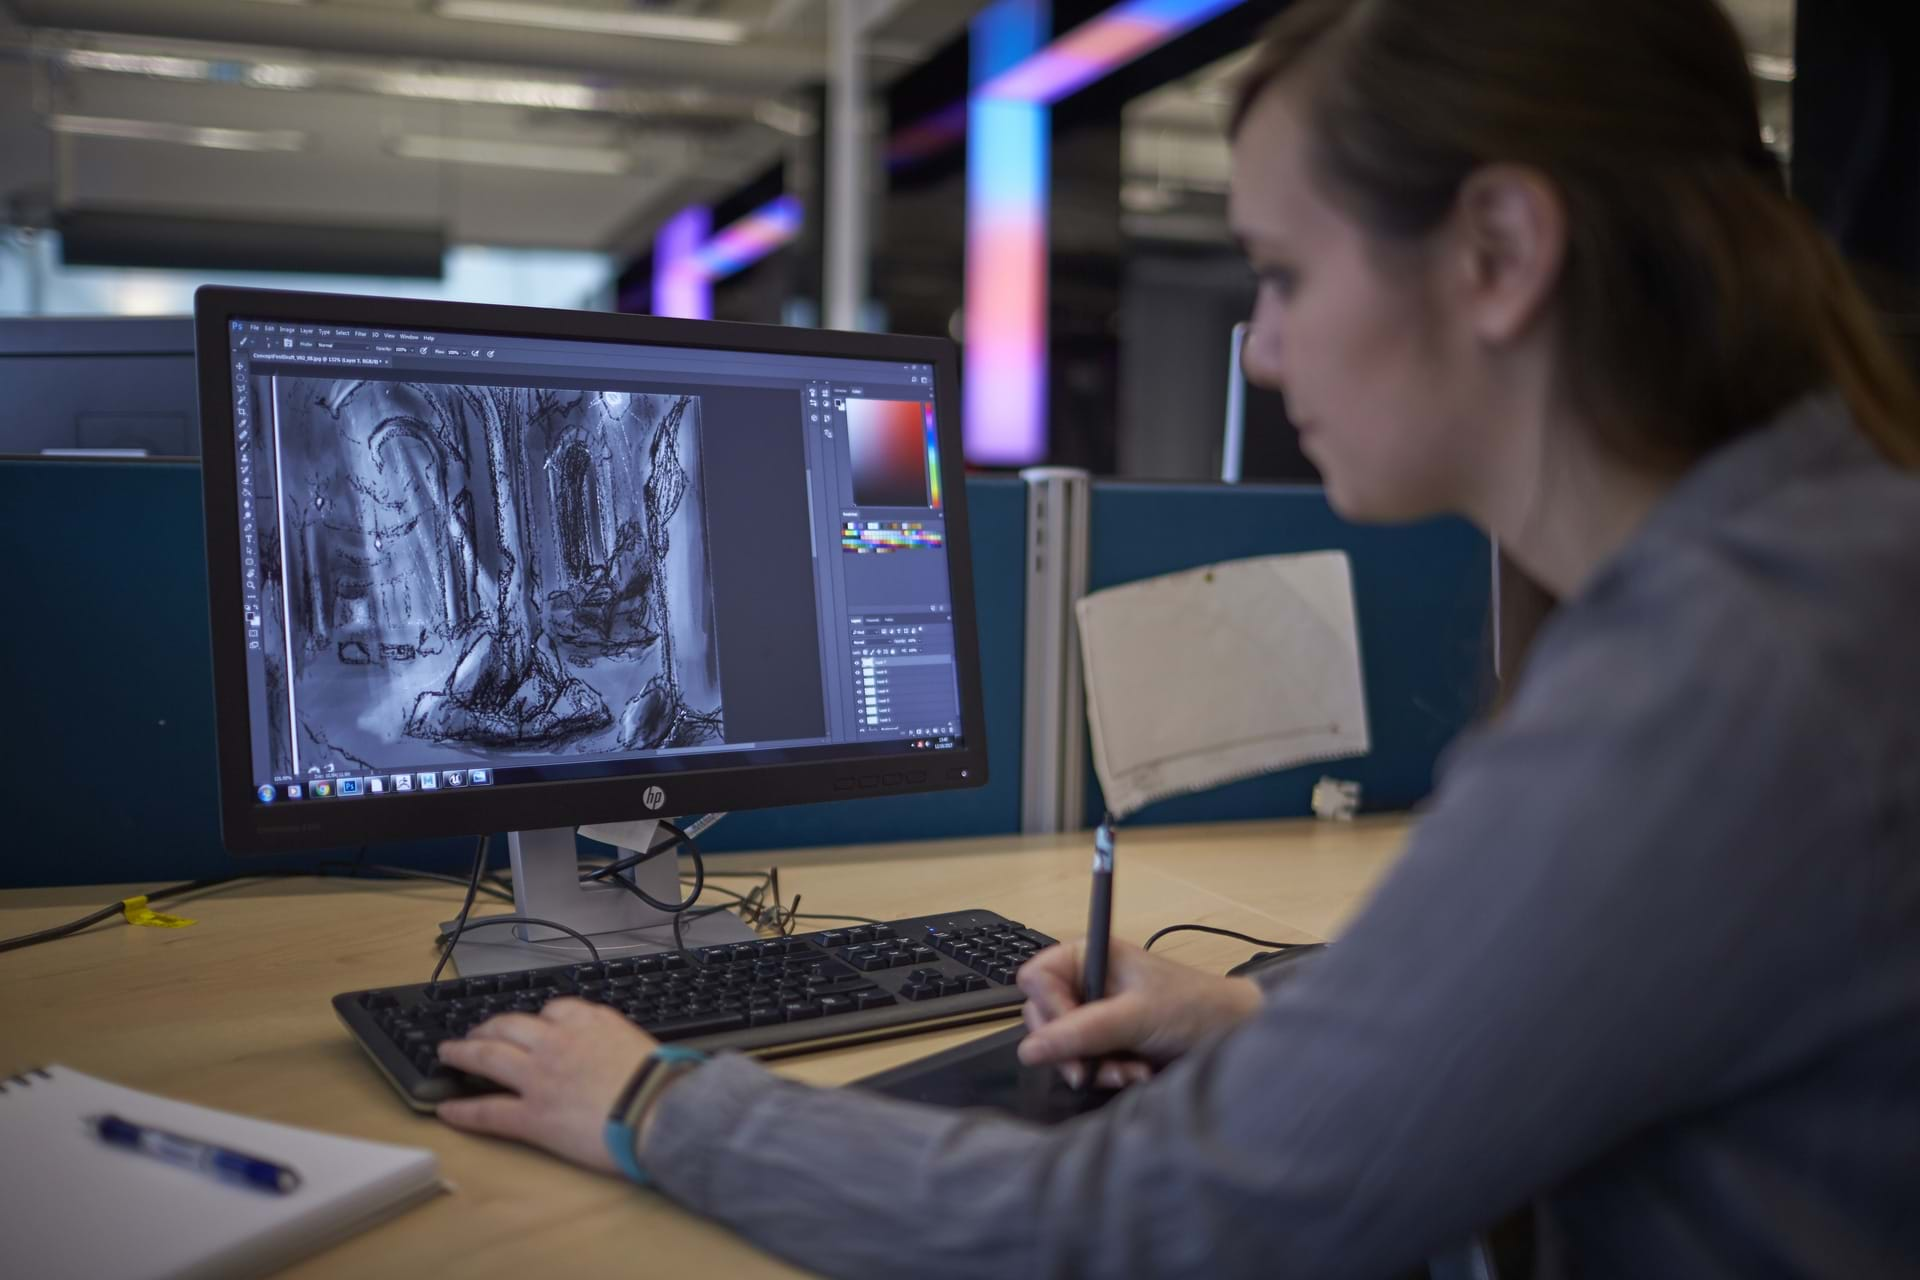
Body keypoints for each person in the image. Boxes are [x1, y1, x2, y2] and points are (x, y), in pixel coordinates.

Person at [434, 0, 1920, 1274]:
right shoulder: (1815, 559)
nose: (1263, 348)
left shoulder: (1719, 675)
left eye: (1283, 274)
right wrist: (1255, 1012)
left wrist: (660, 1104)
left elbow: (1144, 1229)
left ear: (1501, 249)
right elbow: (1593, 970)